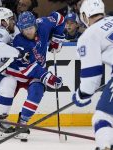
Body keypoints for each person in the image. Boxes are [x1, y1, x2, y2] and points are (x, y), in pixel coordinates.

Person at [0, 11, 64, 140]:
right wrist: (47, 76)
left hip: (32, 72)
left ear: (36, 25)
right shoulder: (9, 35)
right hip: (1, 71)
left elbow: (59, 18)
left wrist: (57, 38)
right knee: (3, 89)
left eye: (30, 28)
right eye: (11, 19)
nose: (27, 31)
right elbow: (26, 66)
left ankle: (21, 124)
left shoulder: (38, 25)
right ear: (3, 22)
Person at [71, 0, 113, 149]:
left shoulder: (90, 34)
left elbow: (92, 74)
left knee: (103, 117)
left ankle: (105, 145)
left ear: (84, 16)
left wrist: (82, 95)